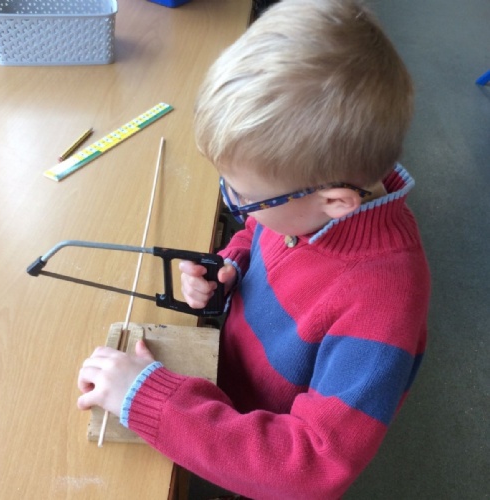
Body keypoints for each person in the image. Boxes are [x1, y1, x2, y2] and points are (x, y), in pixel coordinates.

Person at [77, 0, 431, 498]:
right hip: (227, 399)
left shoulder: (383, 302)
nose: (235, 205)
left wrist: (150, 399)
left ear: (335, 202)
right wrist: (231, 266)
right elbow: (261, 233)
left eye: (242, 195)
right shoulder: (306, 207)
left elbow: (309, 469)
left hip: (260, 454)